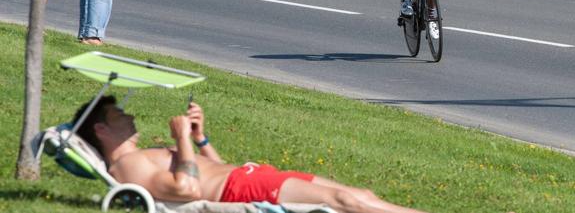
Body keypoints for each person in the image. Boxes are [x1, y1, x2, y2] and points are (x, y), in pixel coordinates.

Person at [73, 96, 429, 213]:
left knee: (359, 197)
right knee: (346, 200)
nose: (130, 116)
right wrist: (181, 139)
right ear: (101, 130)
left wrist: (200, 139)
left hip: (247, 178)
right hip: (241, 190)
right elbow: (187, 190)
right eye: (119, 115)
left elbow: (208, 167)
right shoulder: (128, 165)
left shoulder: (141, 155)